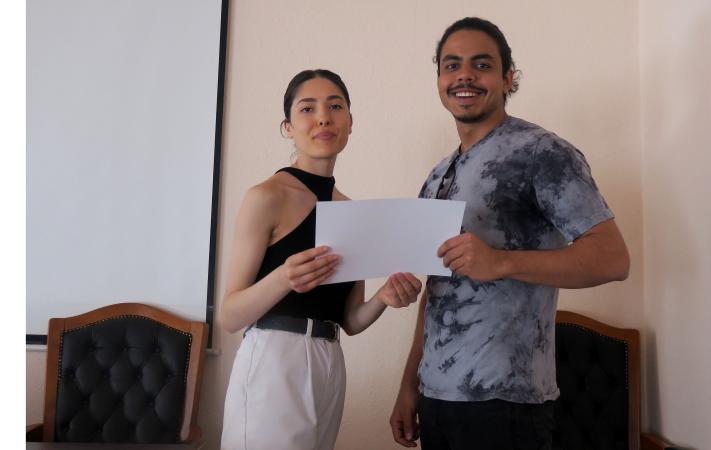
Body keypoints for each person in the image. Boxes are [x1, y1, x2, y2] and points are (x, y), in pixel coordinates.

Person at [389, 18, 630, 450]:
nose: (464, 75)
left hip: (507, 402)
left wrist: (499, 261)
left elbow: (613, 259)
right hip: (437, 397)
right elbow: (435, 289)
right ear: (440, 79)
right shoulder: (437, 175)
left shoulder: (542, 152)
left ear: (507, 79)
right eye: (452, 65)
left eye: (481, 65)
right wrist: (409, 385)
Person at [219, 69, 422, 450]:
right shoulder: (267, 197)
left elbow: (350, 320)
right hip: (274, 359)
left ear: (350, 122)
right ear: (288, 127)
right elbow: (229, 316)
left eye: (335, 106)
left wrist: (383, 298)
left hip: (330, 360)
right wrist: (283, 278)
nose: (323, 118)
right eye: (307, 108)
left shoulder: (352, 212)